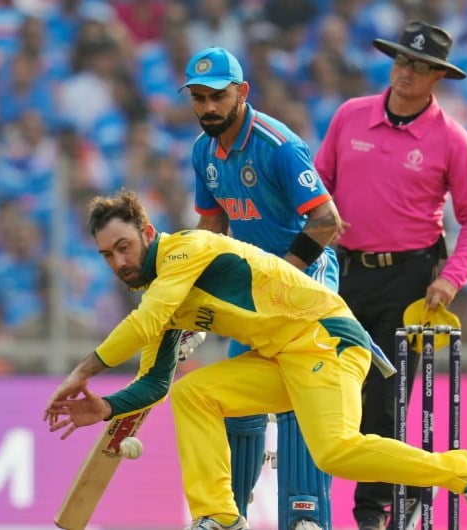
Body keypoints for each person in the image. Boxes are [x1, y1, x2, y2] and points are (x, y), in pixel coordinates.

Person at [43, 190, 467, 530]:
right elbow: (154, 384)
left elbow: (144, 323)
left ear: (147, 233)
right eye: (107, 255)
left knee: (335, 451)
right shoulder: (161, 299)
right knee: (192, 393)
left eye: (124, 247)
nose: (118, 262)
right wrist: (105, 407)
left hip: (326, 339)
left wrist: (82, 372)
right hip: (284, 356)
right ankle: (219, 517)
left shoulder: (184, 249)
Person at [313, 21, 467, 530]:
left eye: (419, 65)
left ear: (439, 76)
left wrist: (451, 278)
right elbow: (318, 184)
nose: (406, 72)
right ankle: (413, 485)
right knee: (333, 390)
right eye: (401, 60)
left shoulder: (451, 138)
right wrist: (320, 222)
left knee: (385, 400)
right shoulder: (350, 116)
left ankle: (374, 512)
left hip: (411, 280)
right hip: (345, 272)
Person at [179, 46, 343, 530]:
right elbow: (211, 231)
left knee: (299, 395)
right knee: (235, 400)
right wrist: (195, 303)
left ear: (242, 92)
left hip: (305, 280)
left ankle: (305, 516)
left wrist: (282, 279)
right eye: (199, 98)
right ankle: (229, 516)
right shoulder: (203, 151)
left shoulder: (278, 146)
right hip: (253, 290)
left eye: (218, 96)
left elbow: (326, 221)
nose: (208, 107)